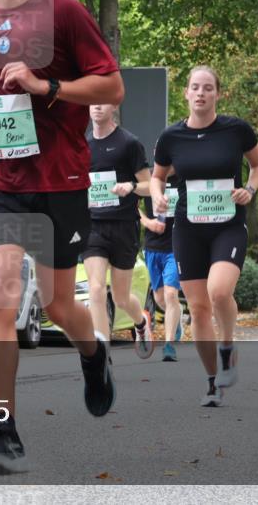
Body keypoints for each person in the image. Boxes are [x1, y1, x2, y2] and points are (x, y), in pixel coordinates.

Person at [0, 0, 124, 474]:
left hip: (58, 178)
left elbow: (111, 84)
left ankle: (93, 355)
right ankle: (4, 428)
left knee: (54, 302)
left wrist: (45, 83)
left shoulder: (62, 10)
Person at [151, 66, 258, 407]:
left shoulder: (236, 130)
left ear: (217, 93)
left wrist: (249, 188)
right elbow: (158, 176)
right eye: (194, 88)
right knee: (199, 309)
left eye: (207, 88)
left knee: (219, 292)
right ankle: (212, 382)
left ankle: (228, 345)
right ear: (186, 93)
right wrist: (158, 194)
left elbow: (257, 165)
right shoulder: (171, 137)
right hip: (188, 228)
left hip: (228, 224)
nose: (200, 93)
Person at [83, 103, 153, 356]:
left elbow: (150, 186)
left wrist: (131, 186)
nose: (97, 107)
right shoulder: (83, 143)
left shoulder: (129, 143)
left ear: (114, 106)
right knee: (96, 289)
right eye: (93, 102)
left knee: (121, 297)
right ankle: (101, 356)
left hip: (124, 226)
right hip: (93, 225)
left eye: (103, 102)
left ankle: (141, 323)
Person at [138, 175, 183, 360]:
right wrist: (148, 223)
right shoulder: (150, 179)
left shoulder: (183, 176)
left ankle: (169, 345)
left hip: (177, 245)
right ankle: (177, 320)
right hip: (152, 247)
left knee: (171, 294)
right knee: (159, 298)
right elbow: (131, 205)